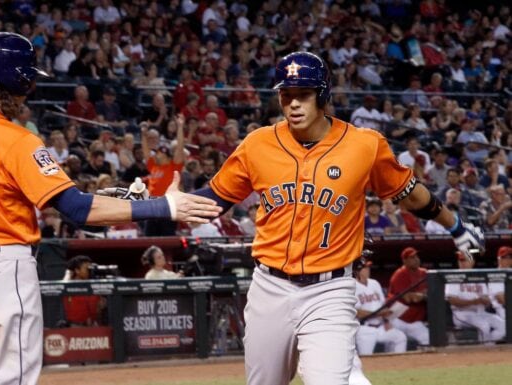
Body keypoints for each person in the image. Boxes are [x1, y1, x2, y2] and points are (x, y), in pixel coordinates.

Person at [0, 32, 221, 385]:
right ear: (19, 81)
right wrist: (164, 206)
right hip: (0, 275)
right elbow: (77, 210)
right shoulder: (16, 139)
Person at [189, 51, 484, 385]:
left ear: (323, 95)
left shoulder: (364, 145)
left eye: (303, 94)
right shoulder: (258, 144)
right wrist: (155, 204)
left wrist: (455, 225)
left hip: (329, 289)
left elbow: (409, 193)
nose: (293, 104)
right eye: (286, 96)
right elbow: (212, 200)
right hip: (269, 286)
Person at [445, 251, 505, 344]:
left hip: (481, 312)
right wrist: (474, 301)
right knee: (484, 326)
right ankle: (486, 351)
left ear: (472, 262)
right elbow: (453, 301)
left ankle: (487, 347)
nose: (462, 263)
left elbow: (486, 298)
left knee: (503, 326)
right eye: (460, 260)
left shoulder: (479, 275)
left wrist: (486, 301)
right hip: (461, 314)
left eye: (465, 260)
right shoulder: (454, 277)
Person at [354, 258, 408, 355]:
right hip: (364, 329)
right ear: (357, 271)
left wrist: (387, 319)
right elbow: (357, 312)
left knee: (400, 337)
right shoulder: (352, 286)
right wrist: (379, 313)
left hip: (380, 327)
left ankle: (397, 366)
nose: (368, 270)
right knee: (367, 358)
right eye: (365, 268)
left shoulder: (374, 283)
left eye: (368, 267)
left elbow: (382, 305)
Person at [387, 247, 430, 347]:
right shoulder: (400, 274)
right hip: (398, 318)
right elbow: (410, 298)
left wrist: (421, 295)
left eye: (416, 256)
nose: (416, 259)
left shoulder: (424, 273)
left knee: (428, 338)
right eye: (412, 257)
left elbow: (432, 292)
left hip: (414, 321)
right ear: (404, 261)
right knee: (395, 342)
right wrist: (423, 294)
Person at [61, 255, 106, 327]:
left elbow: (99, 308)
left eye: (90, 268)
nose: (89, 271)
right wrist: (68, 274)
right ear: (77, 270)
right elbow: (62, 287)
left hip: (93, 326)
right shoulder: (70, 285)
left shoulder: (93, 285)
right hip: (75, 327)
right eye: (87, 269)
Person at [489, 246, 512, 322]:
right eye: (505, 257)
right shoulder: (495, 275)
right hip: (501, 309)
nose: (508, 260)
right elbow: (501, 299)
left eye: (510, 257)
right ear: (499, 259)